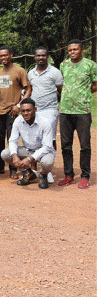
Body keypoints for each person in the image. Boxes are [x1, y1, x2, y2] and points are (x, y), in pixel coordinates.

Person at [58, 40, 97, 189]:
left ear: (81, 50)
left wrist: (83, 94)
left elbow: (95, 85)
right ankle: (68, 175)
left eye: (75, 49)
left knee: (85, 145)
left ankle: (85, 176)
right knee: (66, 146)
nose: (72, 52)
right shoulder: (63, 65)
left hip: (82, 112)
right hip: (65, 111)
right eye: (70, 50)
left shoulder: (91, 65)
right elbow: (61, 85)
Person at [0, 46, 32, 178]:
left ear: (11, 55)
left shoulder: (20, 71)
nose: (3, 58)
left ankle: (13, 170)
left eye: (5, 55)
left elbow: (28, 90)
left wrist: (19, 105)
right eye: (1, 56)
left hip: (12, 111)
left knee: (12, 139)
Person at [1, 98, 55, 189]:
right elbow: (13, 140)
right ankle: (28, 173)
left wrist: (30, 159)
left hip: (43, 152)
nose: (25, 113)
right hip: (27, 150)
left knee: (48, 162)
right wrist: (14, 156)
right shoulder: (18, 121)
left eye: (28, 110)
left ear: (35, 110)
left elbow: (47, 147)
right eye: (23, 111)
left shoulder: (45, 122)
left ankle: (43, 175)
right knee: (5, 154)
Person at [28, 47, 63, 184]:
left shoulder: (55, 72)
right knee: (34, 140)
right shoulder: (30, 73)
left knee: (50, 140)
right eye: (38, 55)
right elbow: (30, 90)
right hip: (35, 111)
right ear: (35, 57)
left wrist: (53, 104)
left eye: (43, 55)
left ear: (47, 56)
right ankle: (34, 170)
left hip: (50, 110)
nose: (41, 58)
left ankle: (47, 171)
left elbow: (61, 91)